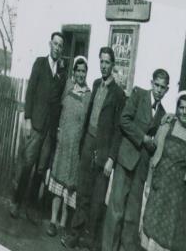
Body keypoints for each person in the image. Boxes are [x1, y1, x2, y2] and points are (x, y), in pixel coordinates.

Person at [62, 46, 125, 251]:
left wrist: (111, 158)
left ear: (113, 65)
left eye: (107, 62)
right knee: (82, 193)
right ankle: (75, 235)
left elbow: (118, 130)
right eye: (101, 61)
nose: (104, 66)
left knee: (97, 199)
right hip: (88, 143)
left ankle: (89, 241)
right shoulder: (96, 84)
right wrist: (83, 143)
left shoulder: (118, 94)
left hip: (104, 151)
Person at [100, 68, 169, 251]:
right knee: (115, 210)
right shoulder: (139, 95)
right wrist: (143, 138)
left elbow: (156, 143)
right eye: (156, 85)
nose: (159, 90)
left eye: (162, 87)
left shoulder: (162, 114)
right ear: (151, 83)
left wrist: (155, 141)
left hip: (141, 168)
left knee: (132, 217)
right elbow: (124, 120)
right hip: (126, 160)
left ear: (167, 89)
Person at [11, 32, 67, 220]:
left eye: (60, 45)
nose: (57, 48)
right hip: (35, 125)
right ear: (50, 44)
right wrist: (27, 119)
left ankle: (30, 208)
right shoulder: (40, 63)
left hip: (49, 131)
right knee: (28, 165)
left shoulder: (62, 73)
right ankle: (16, 202)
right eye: (55, 44)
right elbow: (30, 92)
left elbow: (58, 101)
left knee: (41, 170)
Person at [47, 56, 91, 236]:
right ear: (74, 72)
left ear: (86, 73)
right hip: (63, 143)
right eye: (78, 71)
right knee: (58, 184)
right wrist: (58, 131)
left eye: (83, 71)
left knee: (69, 189)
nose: (80, 74)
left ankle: (63, 224)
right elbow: (58, 109)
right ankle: (52, 221)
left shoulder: (89, 95)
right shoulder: (67, 87)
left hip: (76, 148)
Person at [141, 90, 186, 251]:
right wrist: (149, 182)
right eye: (181, 107)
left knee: (169, 234)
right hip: (159, 186)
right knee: (151, 226)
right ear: (177, 108)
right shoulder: (167, 125)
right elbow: (154, 156)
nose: (184, 112)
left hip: (177, 194)